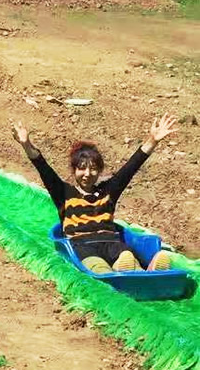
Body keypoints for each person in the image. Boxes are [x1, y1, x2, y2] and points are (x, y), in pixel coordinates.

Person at [11, 113, 178, 274]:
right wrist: (26, 144)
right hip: (82, 245)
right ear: (74, 170)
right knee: (97, 266)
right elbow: (43, 167)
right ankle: (118, 274)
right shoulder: (63, 193)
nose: (87, 174)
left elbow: (131, 167)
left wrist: (153, 140)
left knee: (126, 256)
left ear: (99, 171)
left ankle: (145, 272)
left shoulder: (108, 191)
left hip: (111, 242)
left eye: (93, 169)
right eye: (82, 168)